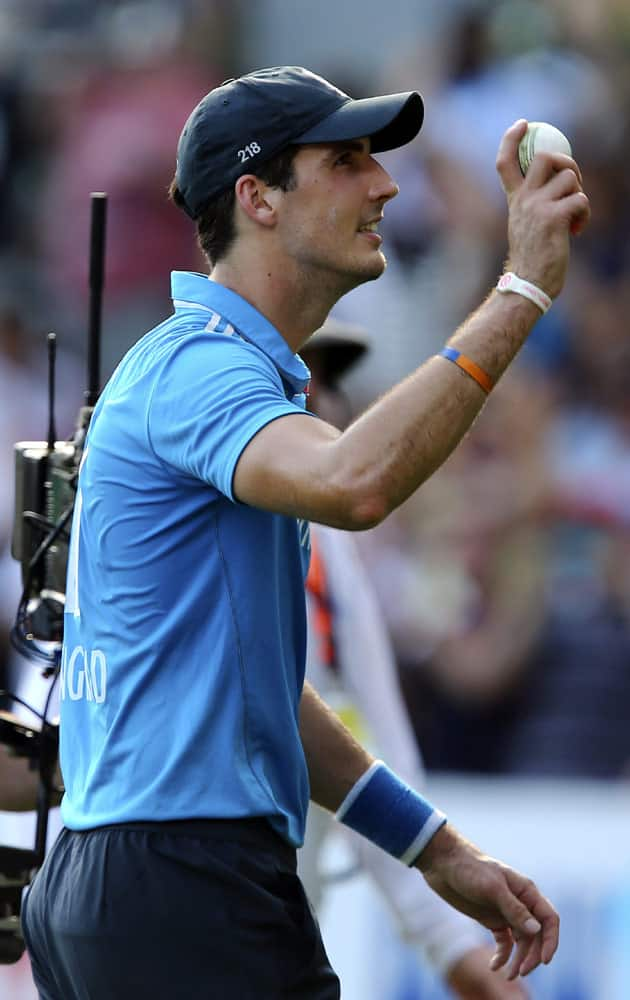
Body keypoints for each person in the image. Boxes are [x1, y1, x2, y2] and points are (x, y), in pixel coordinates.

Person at [20, 66, 588, 999]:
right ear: (258, 198)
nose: (386, 186)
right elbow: (357, 484)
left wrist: (434, 851)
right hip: (183, 881)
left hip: (138, 882)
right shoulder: (198, 367)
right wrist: (521, 287)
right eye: (347, 160)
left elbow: (264, 696)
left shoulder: (207, 371)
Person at [300, 319, 527, 999]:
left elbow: (372, 760)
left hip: (267, 933)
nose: (331, 408)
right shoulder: (190, 524)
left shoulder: (331, 557)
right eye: (307, 389)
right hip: (166, 911)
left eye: (335, 389)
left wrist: (458, 953)